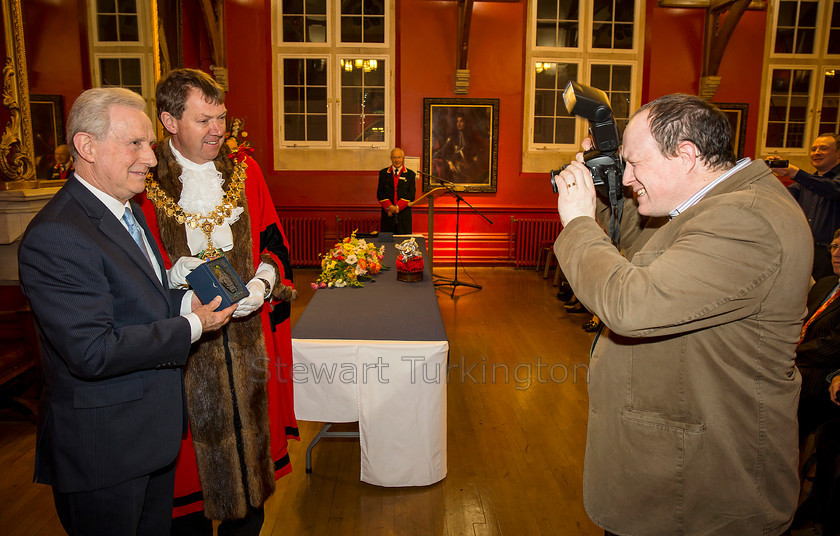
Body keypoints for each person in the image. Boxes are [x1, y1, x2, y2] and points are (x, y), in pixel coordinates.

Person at [554, 94, 812, 535]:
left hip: (699, 487)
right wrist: (606, 192)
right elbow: (644, 248)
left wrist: (578, 223)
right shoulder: (710, 204)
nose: (629, 174)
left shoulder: (747, 221)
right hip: (672, 468)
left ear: (687, 154)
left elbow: (630, 305)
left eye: (634, 163)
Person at [17, 87, 236, 536]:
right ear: (87, 146)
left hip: (146, 439)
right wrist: (193, 324)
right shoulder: (58, 234)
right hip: (105, 451)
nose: (150, 159)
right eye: (134, 144)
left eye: (149, 145)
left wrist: (183, 302)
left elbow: (137, 301)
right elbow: (92, 350)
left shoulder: (125, 210)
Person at [137, 68, 298, 535]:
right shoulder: (143, 181)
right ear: (169, 121)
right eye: (204, 119)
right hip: (182, 359)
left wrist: (264, 282)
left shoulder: (244, 170)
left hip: (249, 345)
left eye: (222, 117)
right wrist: (173, 281)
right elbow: (132, 269)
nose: (219, 130)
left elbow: (274, 240)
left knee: (251, 495)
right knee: (184, 504)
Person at [769, 133, 840, 280]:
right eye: (814, 149)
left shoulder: (816, 181)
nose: (817, 153)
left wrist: (794, 172)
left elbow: (832, 190)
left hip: (831, 255)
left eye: (823, 148)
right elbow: (778, 197)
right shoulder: (805, 184)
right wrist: (767, 175)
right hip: (806, 252)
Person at [796, 228, 840, 441]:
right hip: (796, 358)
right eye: (834, 246)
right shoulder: (825, 283)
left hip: (822, 371)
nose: (836, 253)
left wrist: (789, 351)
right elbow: (798, 320)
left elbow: (833, 345)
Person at [377, 147, 415, 234]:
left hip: (404, 215)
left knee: (404, 243)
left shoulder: (410, 174)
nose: (397, 160)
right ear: (391, 158)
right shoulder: (383, 173)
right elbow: (380, 193)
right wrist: (390, 207)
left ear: (403, 158)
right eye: (394, 157)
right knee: (387, 243)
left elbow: (411, 194)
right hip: (388, 214)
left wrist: (397, 207)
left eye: (399, 157)